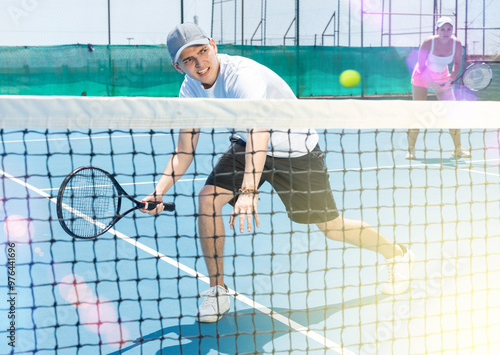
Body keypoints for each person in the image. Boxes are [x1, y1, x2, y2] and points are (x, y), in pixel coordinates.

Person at [142, 23, 415, 323]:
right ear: (177, 66)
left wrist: (249, 190)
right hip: (247, 144)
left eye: (202, 52)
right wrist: (159, 191)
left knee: (331, 227)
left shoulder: (243, 77)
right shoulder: (190, 89)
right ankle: (217, 290)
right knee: (207, 200)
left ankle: (398, 254)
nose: (199, 63)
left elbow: (261, 130)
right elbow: (185, 150)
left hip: (295, 149)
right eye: (188, 60)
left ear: (213, 45)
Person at [407, 16, 471, 160]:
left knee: (451, 111)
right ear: (437, 30)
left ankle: (458, 148)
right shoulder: (428, 42)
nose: (446, 32)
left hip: (443, 75)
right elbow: (422, 65)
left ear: (452, 30)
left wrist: (451, 79)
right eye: (442, 29)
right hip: (422, 75)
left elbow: (457, 64)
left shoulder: (456, 44)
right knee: (417, 111)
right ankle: (410, 149)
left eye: (449, 29)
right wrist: (432, 82)